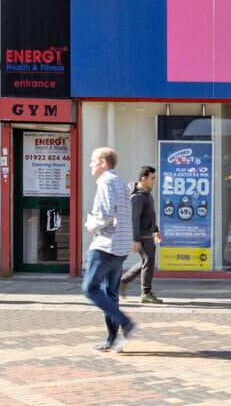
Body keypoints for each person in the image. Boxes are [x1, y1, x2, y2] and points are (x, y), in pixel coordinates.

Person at [81, 147, 136, 352]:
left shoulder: (104, 182)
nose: (90, 165)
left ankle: (125, 323)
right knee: (110, 294)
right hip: (120, 246)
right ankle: (112, 339)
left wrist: (91, 225)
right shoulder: (121, 183)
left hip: (105, 245)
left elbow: (105, 216)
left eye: (93, 160)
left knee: (90, 289)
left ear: (104, 162)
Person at [119, 164, 161, 304]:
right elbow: (134, 218)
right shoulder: (137, 197)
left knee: (147, 260)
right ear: (143, 178)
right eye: (152, 178)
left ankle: (124, 281)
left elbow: (149, 214)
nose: (154, 181)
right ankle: (146, 293)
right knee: (149, 260)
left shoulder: (147, 194)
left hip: (147, 232)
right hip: (141, 234)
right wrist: (135, 239)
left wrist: (155, 229)